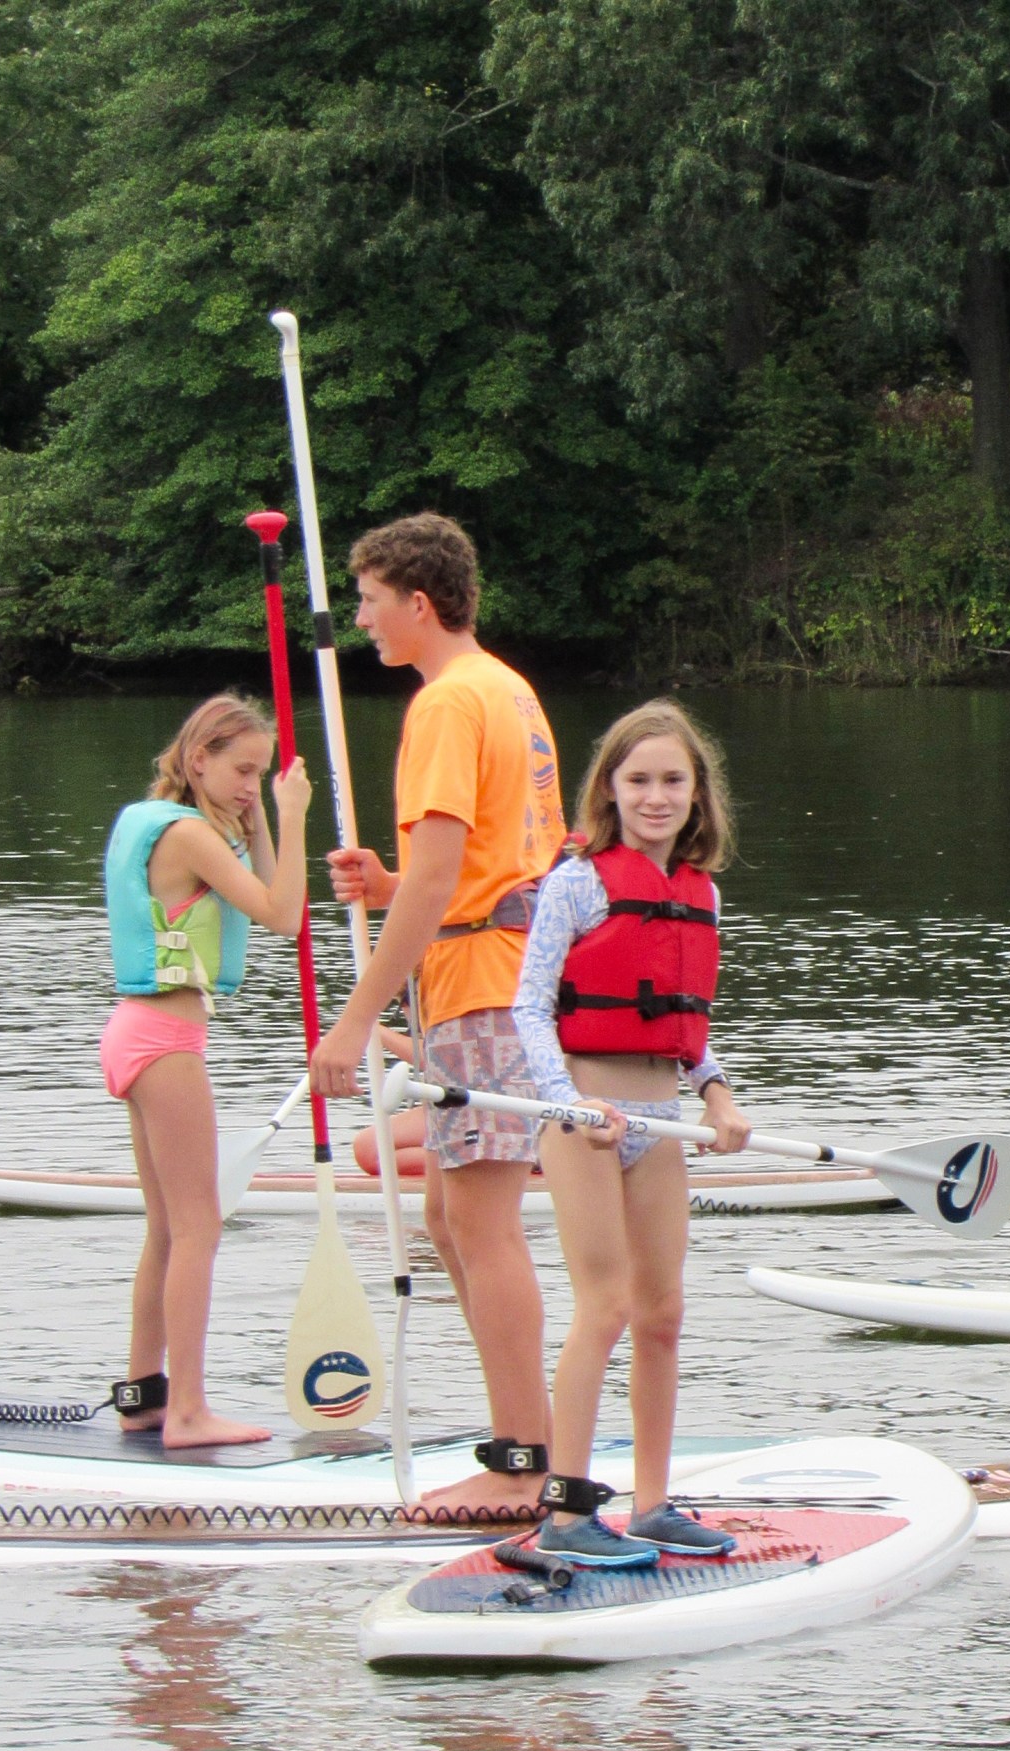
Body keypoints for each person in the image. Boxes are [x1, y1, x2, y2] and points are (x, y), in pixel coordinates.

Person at [306, 513, 568, 1514]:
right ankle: (522, 1436)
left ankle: (524, 1464)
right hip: (501, 973)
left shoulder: (450, 706)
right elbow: (460, 868)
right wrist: (383, 882)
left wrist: (351, 1021)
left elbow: (445, 874)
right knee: (447, 1215)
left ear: (419, 604)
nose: (361, 619)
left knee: (483, 1222)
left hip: (486, 988)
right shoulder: (508, 688)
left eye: (369, 600)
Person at [512, 700, 752, 1567]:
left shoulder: (702, 892)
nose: (656, 797)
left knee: (663, 1313)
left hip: (659, 1117)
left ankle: (652, 1504)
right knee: (606, 1306)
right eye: (639, 780)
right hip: (580, 1117)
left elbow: (686, 1022)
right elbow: (530, 1006)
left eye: (672, 781)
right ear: (610, 790)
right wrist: (562, 1100)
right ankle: (567, 1511)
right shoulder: (577, 882)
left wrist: (717, 1096)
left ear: (697, 796)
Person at [102, 694, 311, 1448]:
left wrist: (257, 822)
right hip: (164, 1040)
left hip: (135, 1032)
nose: (251, 785)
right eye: (241, 770)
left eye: (261, 774)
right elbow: (285, 914)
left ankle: (143, 1394)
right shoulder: (189, 835)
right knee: (198, 1229)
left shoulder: (156, 821)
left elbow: (265, 896)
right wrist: (292, 816)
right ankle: (187, 1409)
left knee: (166, 1230)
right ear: (199, 760)